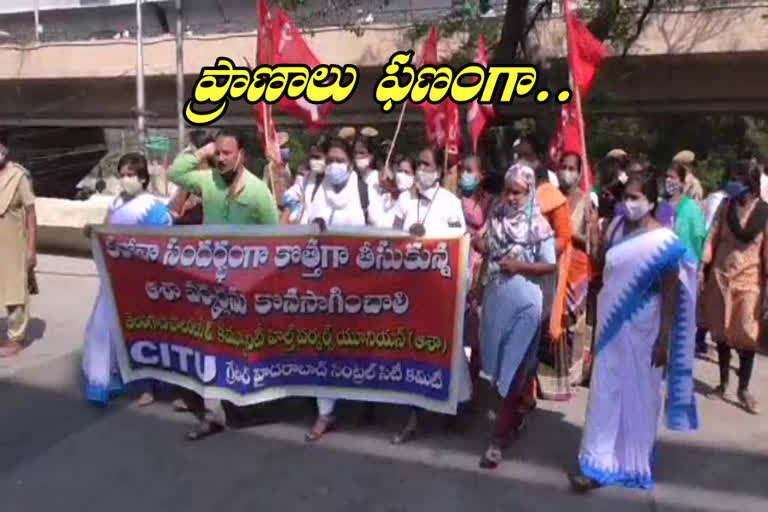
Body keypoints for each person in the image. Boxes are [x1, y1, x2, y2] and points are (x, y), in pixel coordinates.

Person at [571, 173, 698, 492]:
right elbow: (603, 268)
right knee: (604, 392)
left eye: (636, 197)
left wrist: (664, 338)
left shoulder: (665, 243)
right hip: (610, 325)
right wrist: (593, 236)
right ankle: (596, 464)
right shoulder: (614, 227)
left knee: (639, 393)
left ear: (652, 202)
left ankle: (631, 461)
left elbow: (670, 293)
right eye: (626, 196)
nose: (629, 203)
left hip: (645, 328)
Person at [169, 129, 279, 440]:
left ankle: (248, 404)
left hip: (246, 286)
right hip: (210, 281)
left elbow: (275, 239)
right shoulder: (207, 182)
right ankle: (213, 413)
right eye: (217, 153)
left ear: (241, 155)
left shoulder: (258, 192)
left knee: (244, 347)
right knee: (210, 345)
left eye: (226, 153)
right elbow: (178, 172)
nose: (220, 158)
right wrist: (201, 152)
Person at [474, 163, 557, 468]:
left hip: (525, 304)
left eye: (517, 193)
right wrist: (479, 282)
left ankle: (496, 442)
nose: (510, 198)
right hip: (497, 298)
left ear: (529, 192)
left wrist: (520, 266)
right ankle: (517, 413)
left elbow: (550, 264)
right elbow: (489, 250)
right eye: (507, 191)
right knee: (497, 369)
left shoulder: (539, 225)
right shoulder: (496, 216)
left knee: (513, 368)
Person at [390, 147, 470, 444]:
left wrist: (430, 240)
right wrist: (405, 236)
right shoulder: (404, 199)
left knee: (447, 348)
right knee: (411, 350)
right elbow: (391, 237)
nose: (421, 169)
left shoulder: (450, 203)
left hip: (440, 288)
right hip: (409, 288)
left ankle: (456, 406)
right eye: (419, 163)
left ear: (438, 169)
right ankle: (414, 416)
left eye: (426, 164)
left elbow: (457, 244)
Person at [82, 153, 174, 405]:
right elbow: (107, 229)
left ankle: (151, 387)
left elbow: (163, 246)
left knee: (144, 332)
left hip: (140, 283)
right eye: (121, 175)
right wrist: (94, 232)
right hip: (113, 281)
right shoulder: (116, 203)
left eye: (130, 175)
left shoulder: (153, 208)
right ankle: (108, 379)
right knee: (104, 329)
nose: (125, 180)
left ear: (143, 177)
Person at [300, 137, 367, 441]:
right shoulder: (315, 191)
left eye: (340, 160)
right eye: (330, 161)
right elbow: (300, 231)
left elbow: (383, 230)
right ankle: (324, 412)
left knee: (356, 346)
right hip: (320, 284)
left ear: (350, 164)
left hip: (358, 285)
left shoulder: (365, 192)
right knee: (322, 347)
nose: (334, 166)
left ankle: (366, 402)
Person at [701, 160, 767, 415]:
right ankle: (723, 383)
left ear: (750, 184)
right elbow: (712, 238)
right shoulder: (726, 208)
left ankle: (744, 389)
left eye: (739, 179)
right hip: (721, 277)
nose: (733, 183)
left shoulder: (764, 213)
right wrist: (701, 264)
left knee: (746, 333)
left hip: (750, 282)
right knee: (721, 330)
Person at [539, 152, 596, 400]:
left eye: (572, 168)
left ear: (580, 173)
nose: (567, 172)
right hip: (554, 268)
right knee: (553, 323)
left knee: (573, 326)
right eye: (563, 166)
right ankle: (550, 382)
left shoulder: (587, 203)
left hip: (577, 272)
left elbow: (593, 244)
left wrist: (571, 234)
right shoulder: (550, 198)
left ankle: (571, 377)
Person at [0, 136, 37, 358]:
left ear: (5, 149)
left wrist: (32, 250)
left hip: (14, 244)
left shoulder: (19, 176)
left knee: (15, 290)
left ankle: (16, 338)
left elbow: (31, 215)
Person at [460, 155, 494, 385]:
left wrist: (475, 237)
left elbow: (490, 241)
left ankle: (473, 381)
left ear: (481, 175)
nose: (465, 174)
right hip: (458, 267)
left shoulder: (492, 203)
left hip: (481, 271)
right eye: (463, 169)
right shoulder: (452, 201)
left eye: (470, 170)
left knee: (476, 328)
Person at [660, 163, 707, 263]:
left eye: (672, 177)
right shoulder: (663, 206)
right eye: (666, 177)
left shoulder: (692, 208)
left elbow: (698, 237)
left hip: (684, 265)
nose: (668, 180)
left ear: (682, 183)